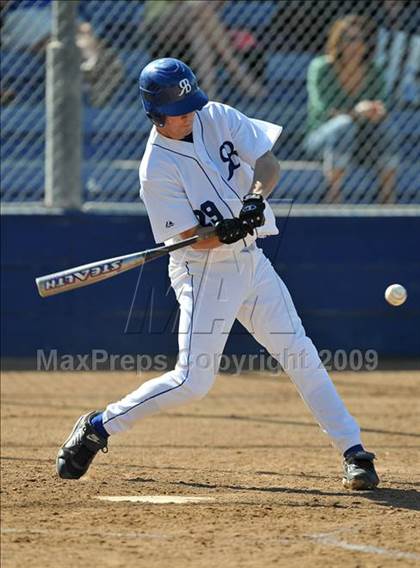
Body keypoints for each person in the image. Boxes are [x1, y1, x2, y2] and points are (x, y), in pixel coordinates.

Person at [56, 57, 379, 491]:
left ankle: (353, 451)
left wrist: (253, 201)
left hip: (252, 260)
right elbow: (189, 238)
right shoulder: (156, 170)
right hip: (203, 272)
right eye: (177, 111)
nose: (188, 114)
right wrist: (218, 233)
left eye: (189, 104)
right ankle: (99, 426)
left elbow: (268, 164)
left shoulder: (217, 115)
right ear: (155, 114)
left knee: (299, 352)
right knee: (193, 382)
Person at [304, 15, 400, 204]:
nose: (357, 45)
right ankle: (334, 196)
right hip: (322, 139)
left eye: (361, 39)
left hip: (364, 141)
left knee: (387, 127)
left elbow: (383, 104)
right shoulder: (321, 67)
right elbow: (324, 110)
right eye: (350, 39)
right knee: (344, 124)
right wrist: (358, 112)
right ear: (338, 42)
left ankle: (388, 198)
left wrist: (376, 111)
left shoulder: (374, 69)